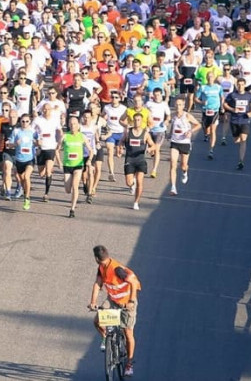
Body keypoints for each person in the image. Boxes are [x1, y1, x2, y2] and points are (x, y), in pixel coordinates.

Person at [88, 245, 141, 376]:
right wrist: (93, 303)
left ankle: (128, 363)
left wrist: (132, 301)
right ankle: (106, 338)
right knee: (97, 322)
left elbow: (133, 282)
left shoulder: (117, 269)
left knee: (128, 333)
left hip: (127, 303)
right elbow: (97, 284)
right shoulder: (101, 268)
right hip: (113, 300)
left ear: (96, 258)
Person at [223, 78, 251, 171]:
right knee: (236, 141)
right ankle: (240, 148)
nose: (240, 86)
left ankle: (241, 161)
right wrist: (232, 109)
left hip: (245, 120)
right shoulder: (232, 95)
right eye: (239, 84)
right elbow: (225, 104)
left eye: (242, 84)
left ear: (245, 85)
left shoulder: (249, 95)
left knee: (243, 139)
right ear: (236, 85)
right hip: (234, 120)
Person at [167, 99, 200, 196]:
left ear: (183, 106)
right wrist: (169, 133)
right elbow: (172, 125)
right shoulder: (173, 115)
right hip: (174, 142)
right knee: (173, 164)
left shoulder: (187, 116)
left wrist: (190, 131)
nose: (178, 106)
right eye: (176, 104)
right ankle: (173, 187)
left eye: (180, 105)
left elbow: (198, 124)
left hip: (185, 142)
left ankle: (185, 172)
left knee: (183, 165)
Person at [61, 114, 87, 218]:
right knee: (68, 189)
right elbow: (57, 149)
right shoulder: (65, 136)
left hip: (78, 164)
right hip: (67, 165)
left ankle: (72, 209)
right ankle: (72, 196)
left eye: (75, 124)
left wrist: (89, 160)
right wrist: (58, 160)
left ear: (78, 125)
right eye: (71, 124)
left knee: (75, 186)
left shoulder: (82, 136)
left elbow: (90, 149)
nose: (73, 126)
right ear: (68, 125)